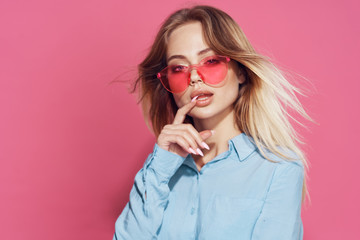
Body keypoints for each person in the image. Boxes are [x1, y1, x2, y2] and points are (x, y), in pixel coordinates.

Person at [113, 5, 313, 240]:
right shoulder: (160, 172)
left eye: (210, 61)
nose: (195, 77)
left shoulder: (279, 168)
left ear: (241, 72)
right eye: (179, 67)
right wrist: (160, 167)